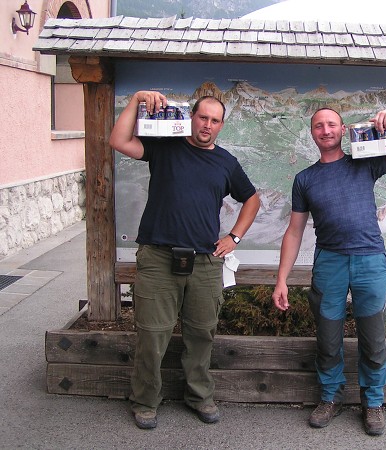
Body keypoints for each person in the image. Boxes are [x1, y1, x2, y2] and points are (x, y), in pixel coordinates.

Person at [272, 106, 386, 436]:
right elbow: (295, 231)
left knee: (373, 339)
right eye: (318, 126)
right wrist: (281, 278)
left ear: (343, 131)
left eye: (331, 124)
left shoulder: (364, 163)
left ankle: (373, 403)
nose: (325, 130)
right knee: (328, 339)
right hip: (329, 262)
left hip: (370, 260)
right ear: (312, 133)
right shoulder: (305, 179)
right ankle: (330, 397)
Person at [109, 91, 260, 430]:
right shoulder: (165, 147)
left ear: (221, 125)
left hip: (206, 263)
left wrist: (233, 237)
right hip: (158, 258)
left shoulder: (226, 163)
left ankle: (199, 396)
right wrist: (135, 101)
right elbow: (118, 141)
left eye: (214, 120)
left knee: (201, 334)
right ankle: (145, 401)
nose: (207, 125)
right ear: (192, 117)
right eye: (202, 117)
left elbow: (252, 200)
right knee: (151, 335)